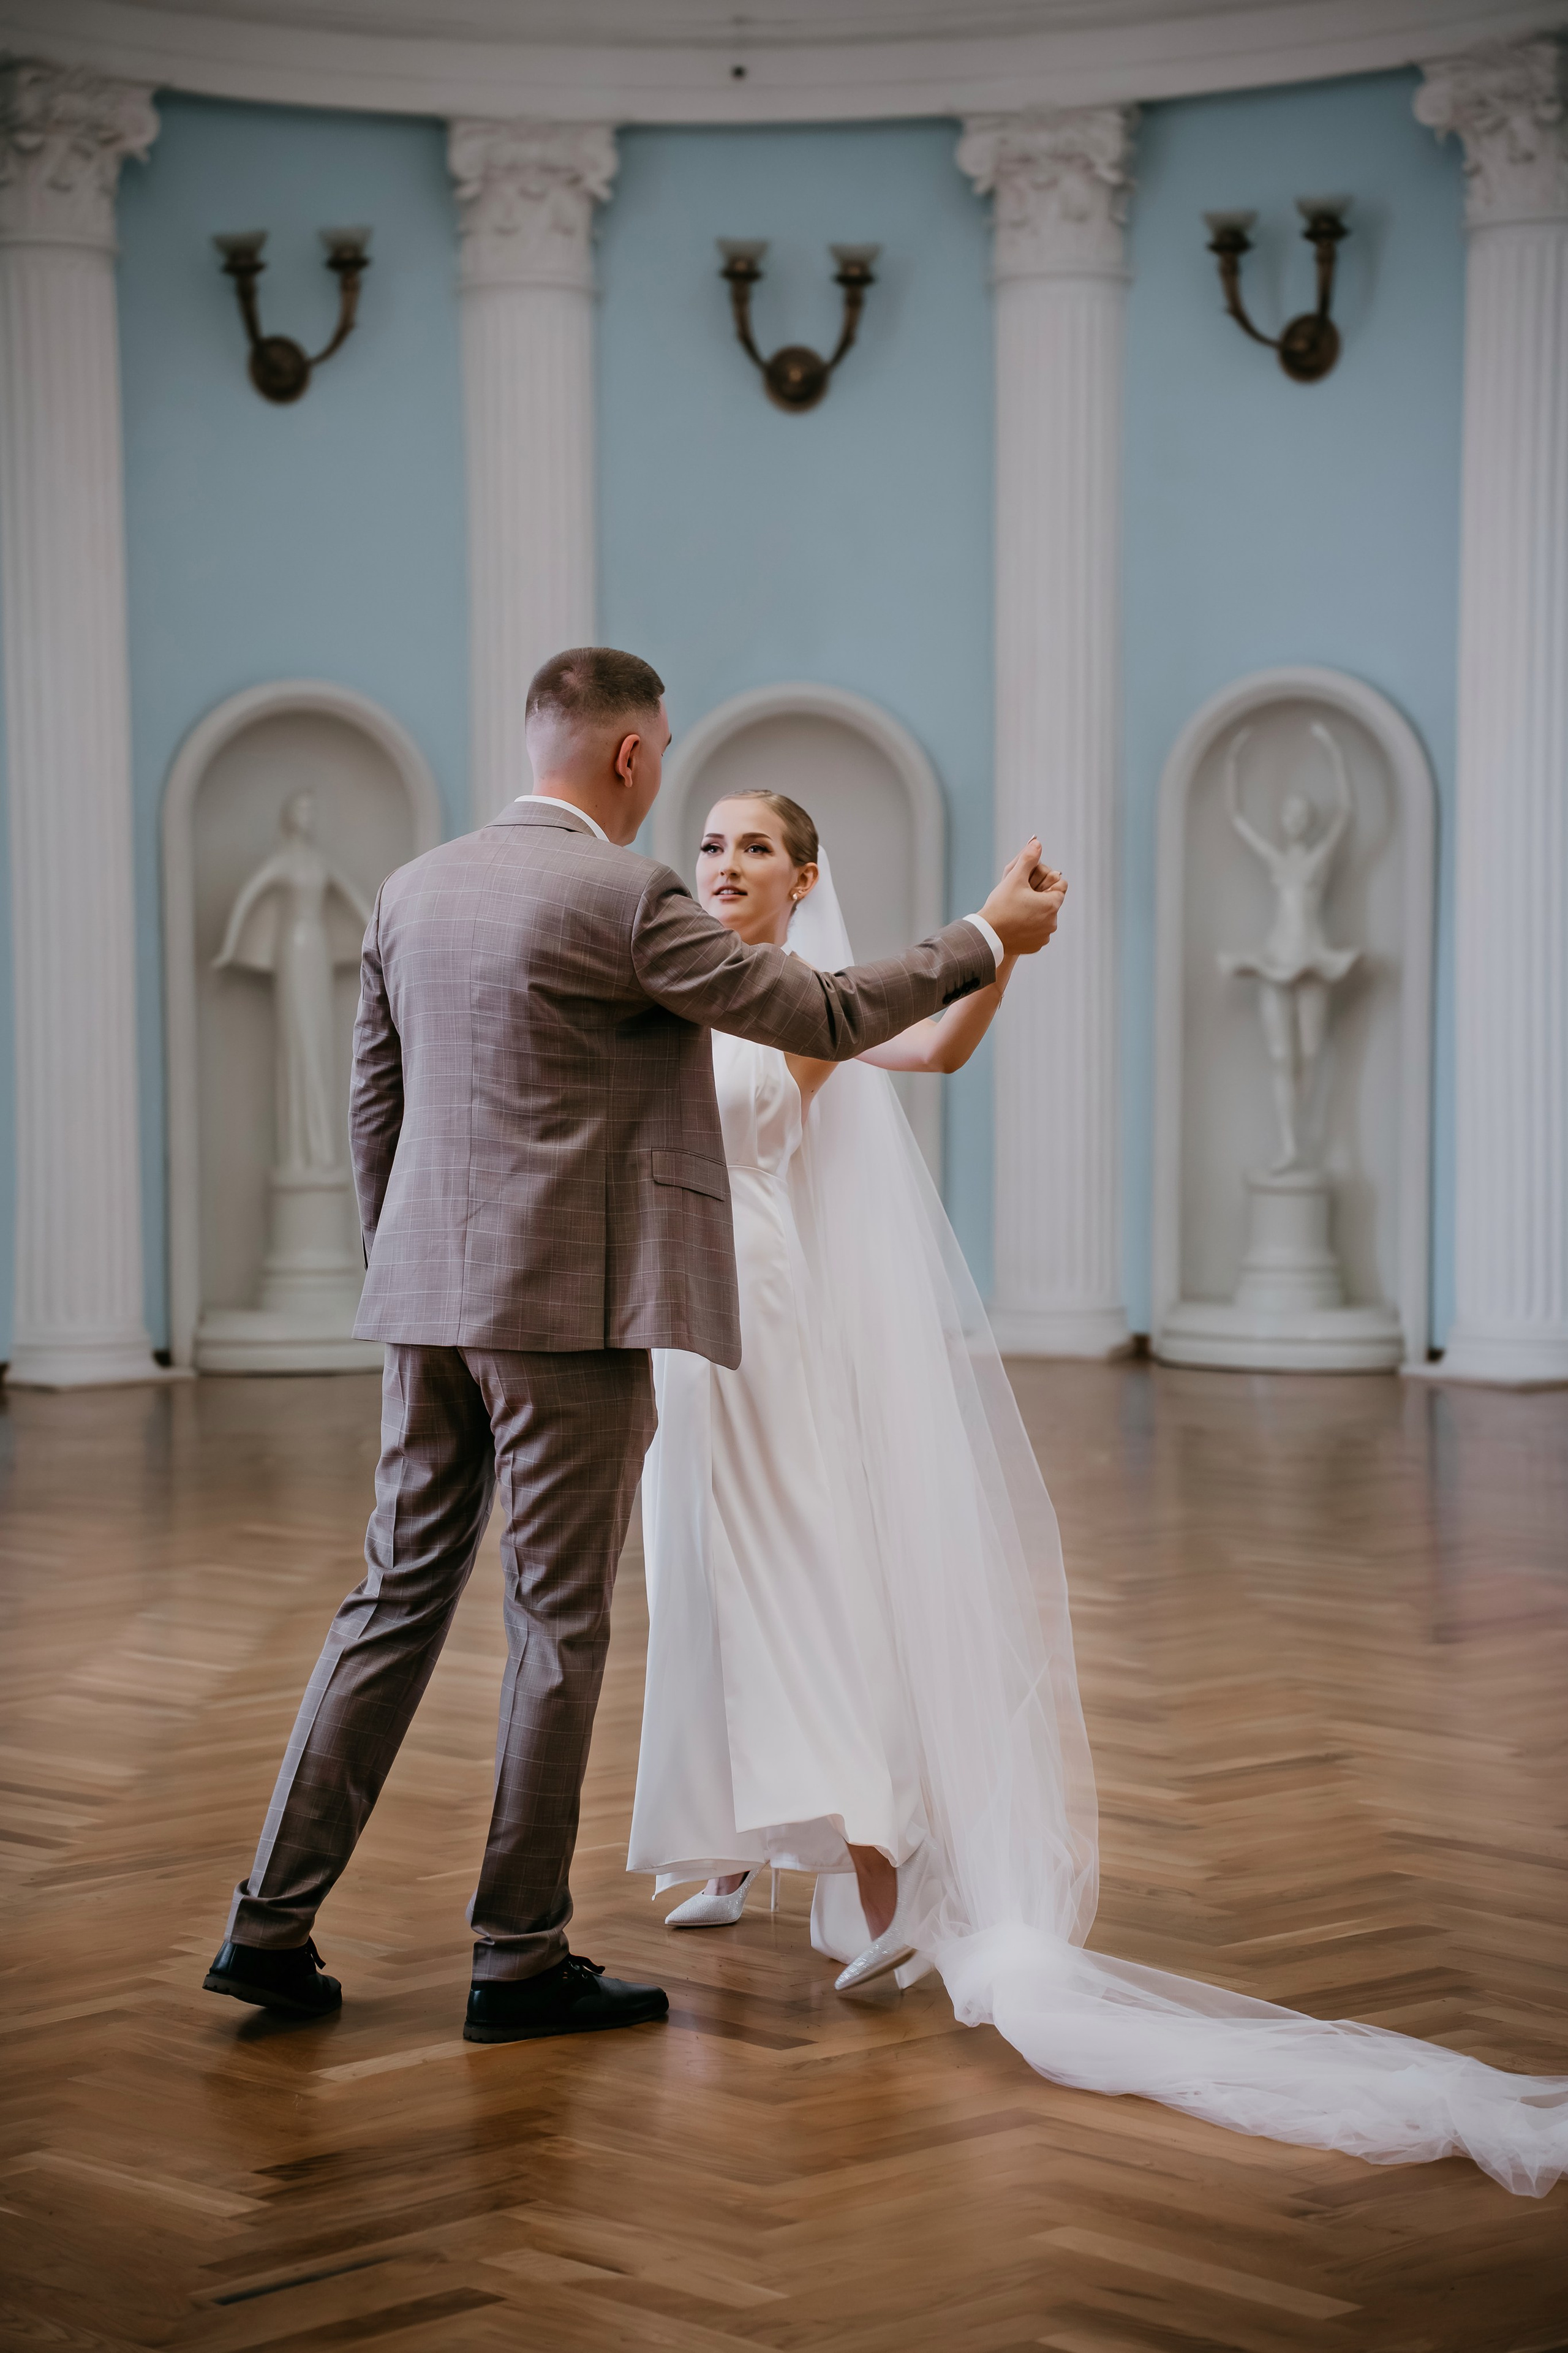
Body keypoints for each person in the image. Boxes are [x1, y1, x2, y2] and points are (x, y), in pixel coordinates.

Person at [630, 792, 1568, 2198]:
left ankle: (878, 1861)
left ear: (803, 877)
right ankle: (729, 1846)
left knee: (792, 1573)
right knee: (693, 1568)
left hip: (762, 1311)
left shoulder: (813, 1000)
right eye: (709, 844)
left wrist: (1001, 948)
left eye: (752, 847)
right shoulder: (671, 984)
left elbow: (936, 1045)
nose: (722, 864)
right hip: (671, 1318)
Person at [202, 645, 1065, 2047]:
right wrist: (984, 933)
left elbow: (375, 1108)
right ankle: (517, 1956)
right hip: (575, 1312)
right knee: (556, 1620)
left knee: (390, 1598)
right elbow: (821, 1011)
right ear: (628, 755)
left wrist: (412, 1273)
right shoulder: (624, 894)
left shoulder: (412, 889)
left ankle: (267, 1923)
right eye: (663, 756)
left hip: (428, 1303)